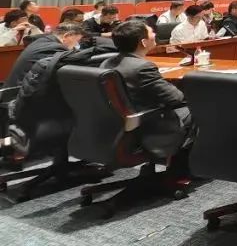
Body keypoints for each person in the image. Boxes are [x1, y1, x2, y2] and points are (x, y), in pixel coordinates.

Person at [101, 20, 192, 177]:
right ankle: (181, 168)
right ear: (143, 42)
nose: (155, 34)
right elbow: (176, 98)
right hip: (148, 124)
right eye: (151, 32)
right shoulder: (142, 67)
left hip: (116, 125)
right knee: (197, 109)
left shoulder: (106, 63)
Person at [5, 22, 85, 88]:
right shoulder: (54, 47)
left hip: (19, 89)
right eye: (77, 41)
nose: (76, 45)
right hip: (18, 94)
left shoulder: (44, 40)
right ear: (66, 36)